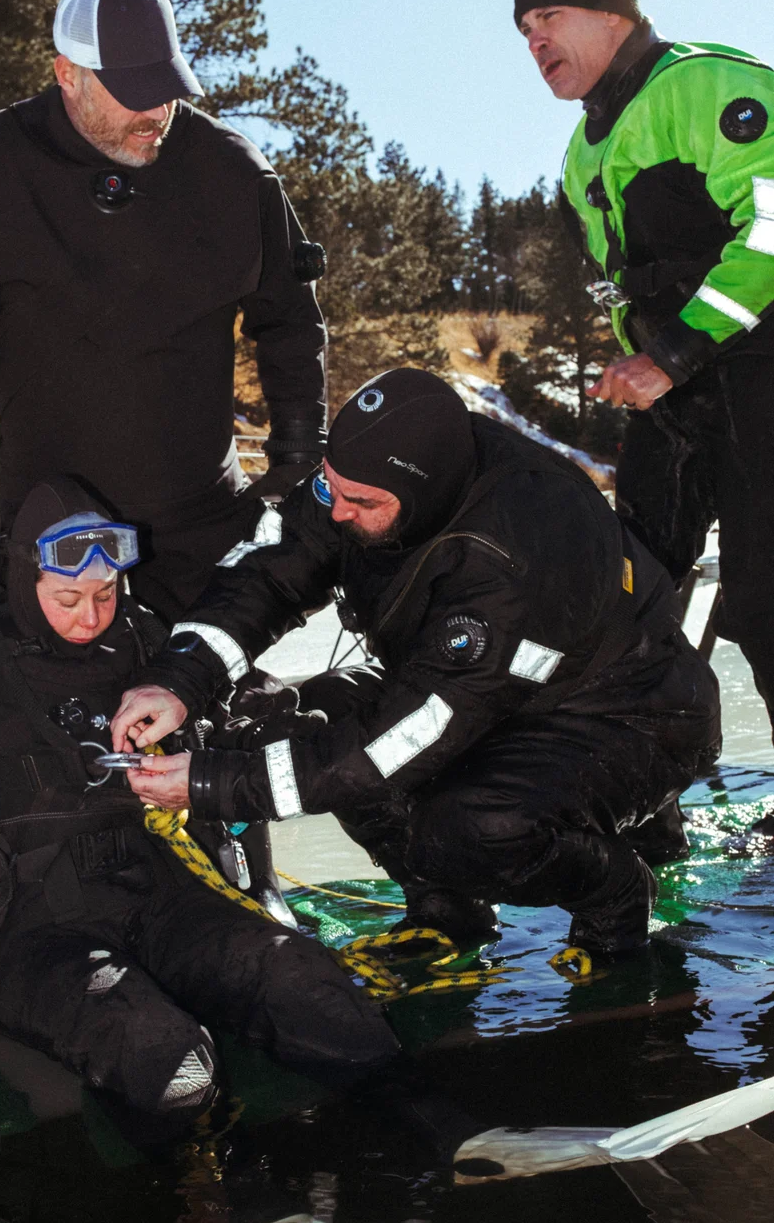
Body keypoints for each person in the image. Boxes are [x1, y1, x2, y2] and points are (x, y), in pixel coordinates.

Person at [0, 478, 398, 1133]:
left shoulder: (144, 638)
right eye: (67, 597)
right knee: (160, 1053)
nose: (89, 615)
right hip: (24, 930)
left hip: (164, 895)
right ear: (22, 578)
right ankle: (195, 1219)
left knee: (310, 986)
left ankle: (427, 1146)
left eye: (103, 594)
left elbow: (227, 721)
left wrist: (266, 720)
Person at [109, 368, 721, 957]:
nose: (338, 511)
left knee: (464, 830)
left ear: (423, 493)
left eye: (361, 501)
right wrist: (178, 678)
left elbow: (389, 748)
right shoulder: (374, 472)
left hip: (627, 714)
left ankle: (615, 891)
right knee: (316, 716)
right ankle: (447, 907)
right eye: (328, 486)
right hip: (496, 690)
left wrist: (214, 784)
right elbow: (272, 568)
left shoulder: (517, 558)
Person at [0, 0, 327, 624]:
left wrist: (296, 466)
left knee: (210, 718)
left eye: (166, 88)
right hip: (50, 536)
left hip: (202, 535)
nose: (154, 113)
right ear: (68, 74)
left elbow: (291, 324)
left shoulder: (232, 172)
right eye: (131, 92)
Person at [515, 0, 774, 732]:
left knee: (766, 600)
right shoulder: (575, 159)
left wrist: (674, 351)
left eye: (547, 17)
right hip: (674, 406)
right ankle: (635, 792)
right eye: (523, 30)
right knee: (626, 592)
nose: (533, 43)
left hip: (758, 376)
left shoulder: (703, 83)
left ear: (610, 11)